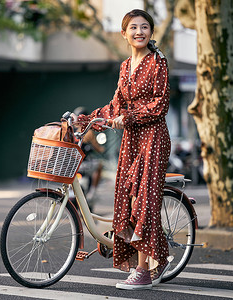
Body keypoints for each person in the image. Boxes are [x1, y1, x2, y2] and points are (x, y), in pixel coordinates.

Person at [73, 9, 171, 290]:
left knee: (142, 201)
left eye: (144, 27)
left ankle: (142, 270)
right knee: (127, 200)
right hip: (131, 139)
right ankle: (158, 257)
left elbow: (159, 104)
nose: (139, 32)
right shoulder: (125, 66)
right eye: (134, 28)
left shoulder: (158, 62)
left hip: (153, 138)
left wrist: (126, 118)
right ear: (124, 33)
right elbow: (116, 104)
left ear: (151, 32)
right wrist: (88, 119)